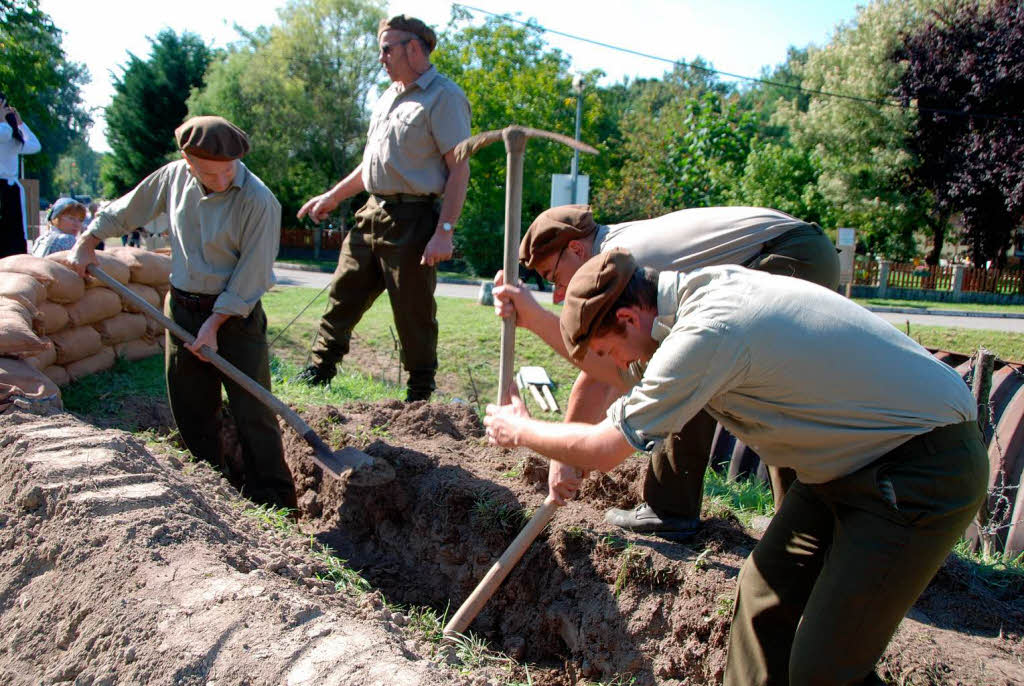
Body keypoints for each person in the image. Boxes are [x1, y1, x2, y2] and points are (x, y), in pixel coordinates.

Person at [484, 249, 987, 686]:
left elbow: (606, 448)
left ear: (629, 317)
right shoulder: (677, 309)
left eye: (606, 347)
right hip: (841, 465)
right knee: (763, 597)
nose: (611, 363)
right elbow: (612, 374)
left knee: (824, 670)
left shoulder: (709, 330)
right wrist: (530, 316)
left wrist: (520, 431)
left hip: (918, 467)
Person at [494, 205, 840, 540]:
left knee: (691, 372)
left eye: (554, 277)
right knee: (705, 372)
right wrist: (533, 320)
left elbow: (603, 377)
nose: (558, 295)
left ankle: (674, 509)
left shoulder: (626, 263)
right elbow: (613, 368)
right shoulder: (614, 252)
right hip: (800, 249)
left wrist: (565, 456)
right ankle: (782, 516)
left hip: (790, 254)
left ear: (575, 248)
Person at [66, 115, 296, 509]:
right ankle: (209, 495)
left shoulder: (259, 200)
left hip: (235, 316)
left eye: (229, 171)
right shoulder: (173, 177)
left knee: (252, 410)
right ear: (188, 162)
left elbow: (253, 273)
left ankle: (274, 501)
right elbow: (128, 209)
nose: (222, 180)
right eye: (210, 173)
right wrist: (90, 238)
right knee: (191, 408)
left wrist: (215, 323)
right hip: (183, 310)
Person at [295, 14, 471, 402]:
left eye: (386, 49)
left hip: (414, 219)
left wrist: (445, 231)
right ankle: (319, 371)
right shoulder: (388, 95)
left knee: (413, 312)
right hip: (371, 212)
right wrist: (333, 196)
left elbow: (459, 168)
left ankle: (420, 393)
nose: (381, 57)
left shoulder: (444, 96)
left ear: (413, 47)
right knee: (342, 294)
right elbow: (373, 163)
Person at [0, 92, 42, 258]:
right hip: (9, 190)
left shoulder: (12, 140)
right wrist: (19, 124)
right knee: (13, 233)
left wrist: (15, 122)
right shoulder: (10, 138)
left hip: (8, 190)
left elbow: (35, 146)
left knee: (13, 232)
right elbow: (5, 133)